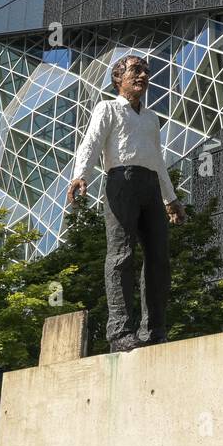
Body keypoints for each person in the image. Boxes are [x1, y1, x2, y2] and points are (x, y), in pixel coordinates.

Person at [67, 54, 185, 353]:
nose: (143, 75)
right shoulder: (107, 108)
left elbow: (157, 159)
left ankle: (154, 330)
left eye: (146, 71)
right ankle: (119, 331)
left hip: (150, 185)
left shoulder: (151, 118)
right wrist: (80, 175)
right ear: (118, 78)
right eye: (135, 70)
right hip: (121, 182)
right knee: (121, 254)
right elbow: (91, 142)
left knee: (159, 258)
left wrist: (170, 199)